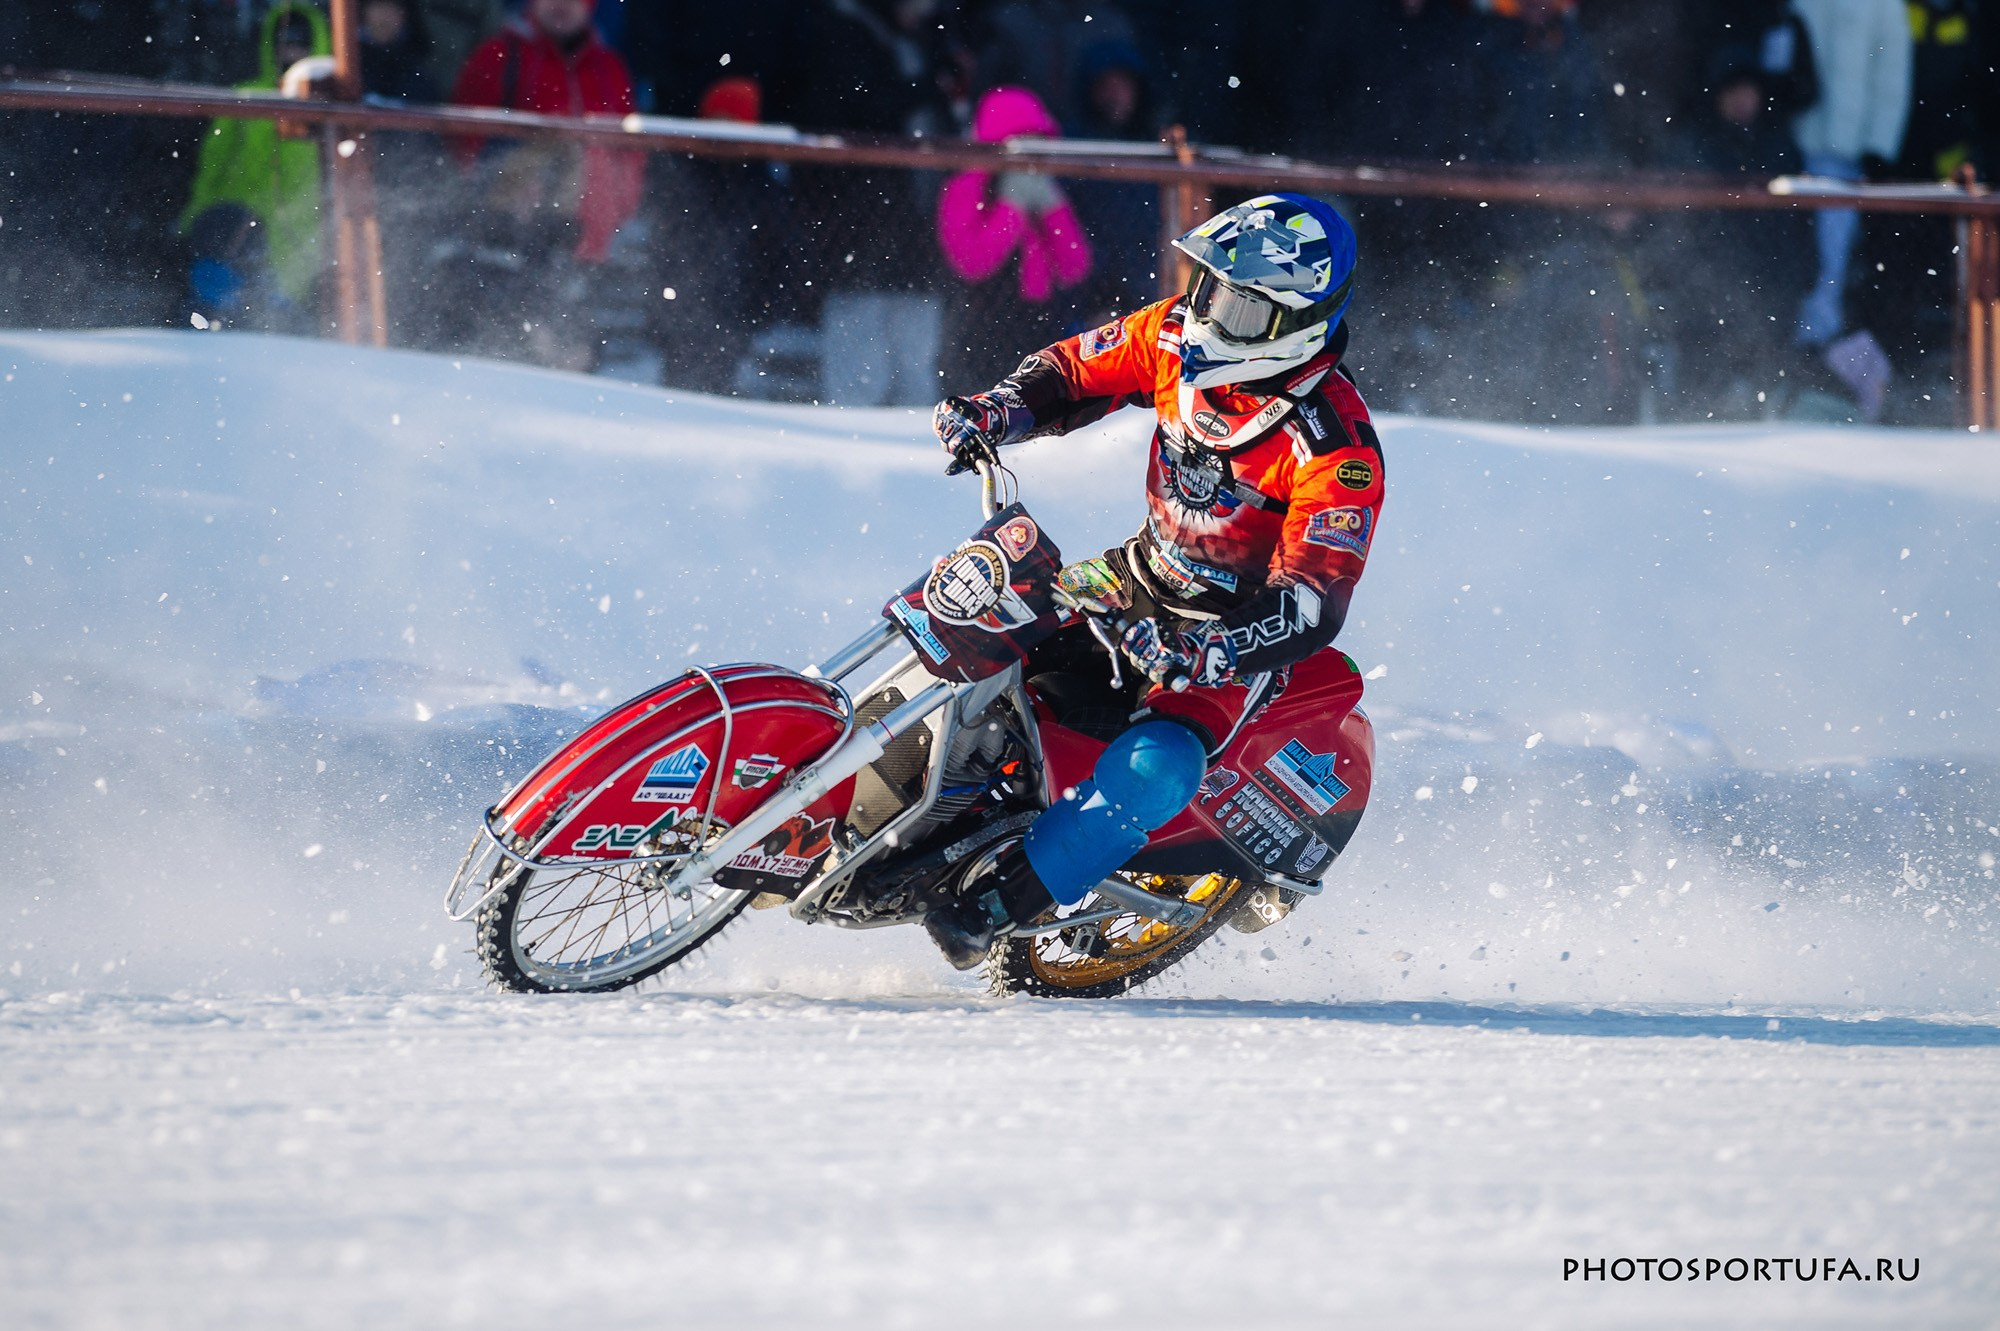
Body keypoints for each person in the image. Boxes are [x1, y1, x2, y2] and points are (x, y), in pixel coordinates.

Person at [921, 194, 1383, 967]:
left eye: (1237, 305)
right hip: (1132, 575)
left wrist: (1211, 650)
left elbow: (1311, 599)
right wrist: (996, 410)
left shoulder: (1338, 450)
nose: (1206, 314)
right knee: (981, 612)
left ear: (1295, 324)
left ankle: (998, 906)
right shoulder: (1175, 333)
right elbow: (1075, 370)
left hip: (1226, 642)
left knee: (1162, 763)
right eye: (1207, 287)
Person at [178, 2, 332, 328]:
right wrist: (199, 212)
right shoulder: (246, 95)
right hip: (236, 223)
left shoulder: (327, 105)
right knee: (214, 308)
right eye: (285, 43)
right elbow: (213, 163)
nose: (292, 52)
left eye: (301, 45)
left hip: (298, 232)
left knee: (282, 321)